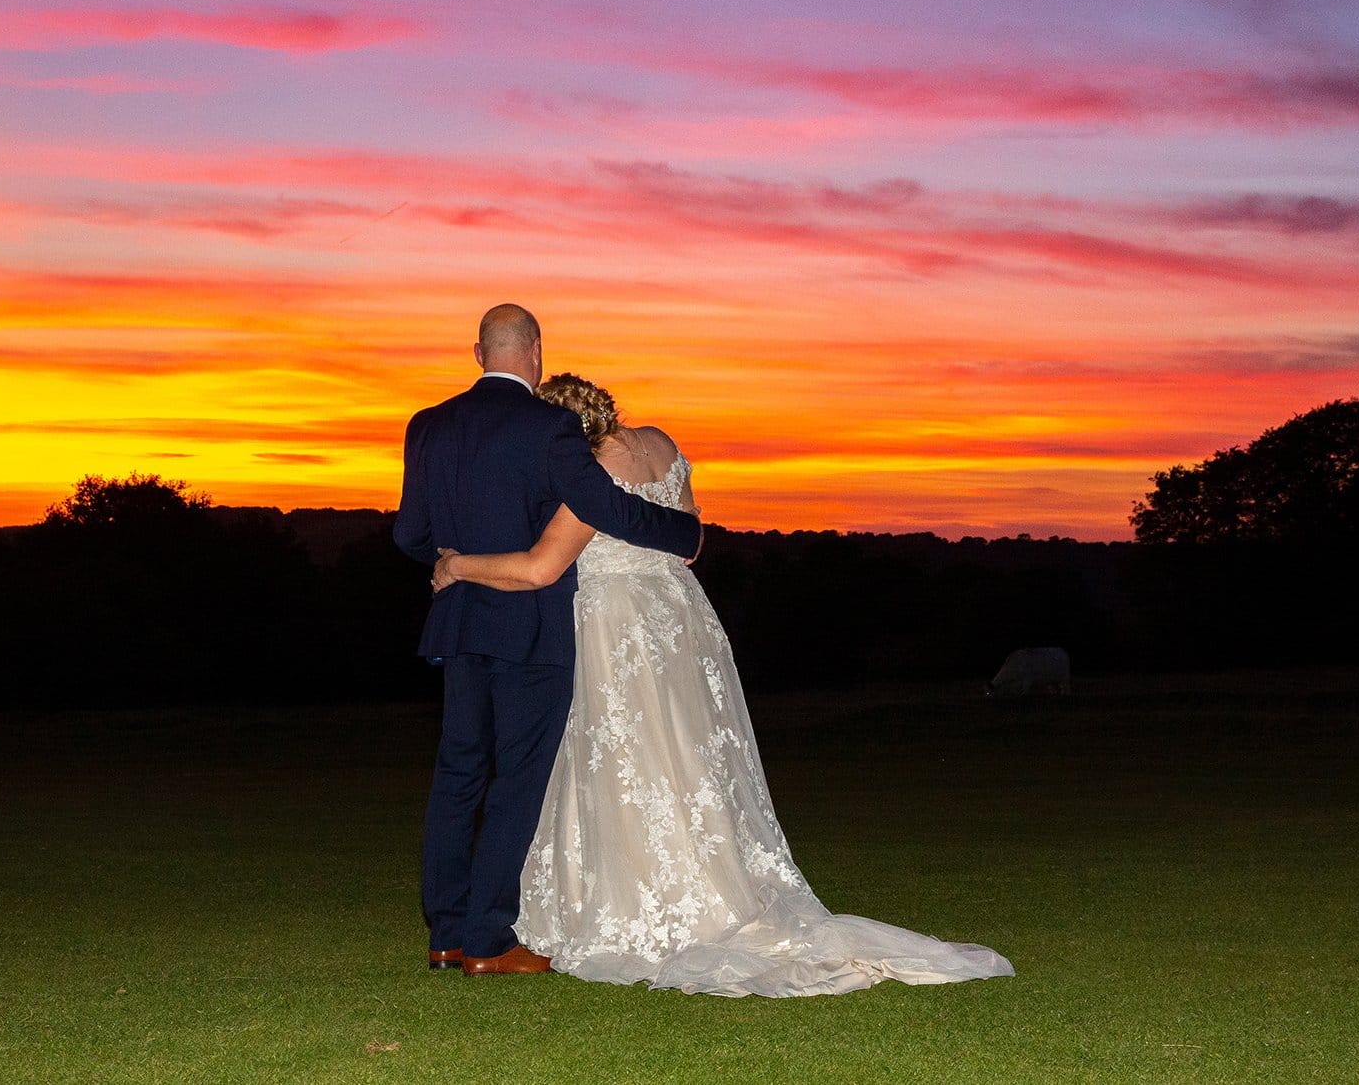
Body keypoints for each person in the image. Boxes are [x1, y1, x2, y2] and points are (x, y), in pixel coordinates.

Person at [431, 374, 1014, 997]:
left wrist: (457, 565)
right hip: (679, 621)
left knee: (627, 760)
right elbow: (691, 538)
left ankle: (643, 899)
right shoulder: (659, 444)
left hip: (614, 627)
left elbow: (542, 566)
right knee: (690, 760)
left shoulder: (587, 478)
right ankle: (713, 880)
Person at [393, 307, 703, 976]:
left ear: (478, 351)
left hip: (459, 621)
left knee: (457, 775)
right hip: (529, 626)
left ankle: (444, 934)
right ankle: (486, 939)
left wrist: (449, 558)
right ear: (534, 351)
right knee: (517, 778)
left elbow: (408, 535)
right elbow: (605, 506)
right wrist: (685, 534)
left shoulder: (428, 424)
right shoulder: (549, 425)